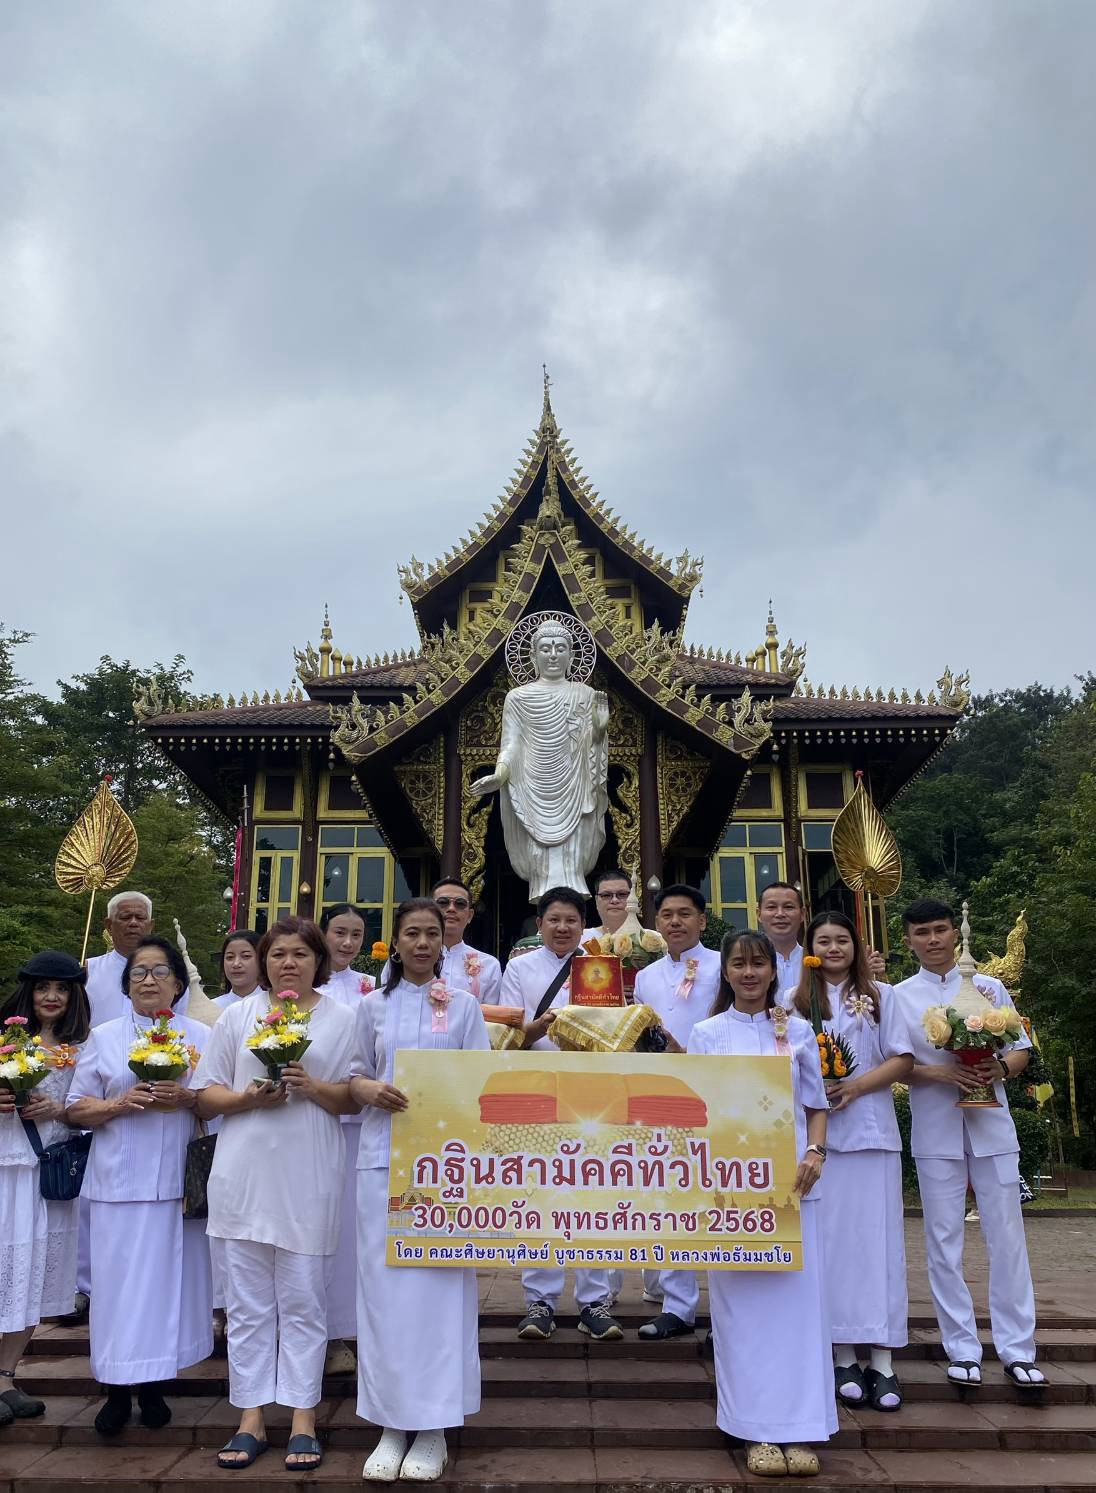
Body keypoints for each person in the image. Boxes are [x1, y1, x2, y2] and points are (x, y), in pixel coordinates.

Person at [192, 916, 361, 1473]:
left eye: (300, 954)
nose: (288, 963)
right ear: (264, 961)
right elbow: (205, 1095)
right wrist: (248, 1100)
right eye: (277, 953)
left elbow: (351, 1099)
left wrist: (310, 1087)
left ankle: (304, 1416)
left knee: (304, 1301)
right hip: (242, 1178)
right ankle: (250, 1416)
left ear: (320, 960)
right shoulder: (237, 1016)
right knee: (246, 1306)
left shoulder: (342, 1018)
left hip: (308, 1175)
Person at [353, 898, 490, 1482]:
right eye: (411, 933)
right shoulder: (371, 1007)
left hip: (442, 1171)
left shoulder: (463, 1006)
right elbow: (353, 1072)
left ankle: (433, 1426)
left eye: (432, 934)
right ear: (396, 941)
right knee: (383, 1296)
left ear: (444, 942)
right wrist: (367, 1090)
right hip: (381, 1161)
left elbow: (482, 1085)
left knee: (438, 1294)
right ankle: (389, 1422)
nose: (422, 943)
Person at [689, 929, 835, 1478]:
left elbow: (816, 1106)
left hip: (793, 1186)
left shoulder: (797, 1029)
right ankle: (754, 1431)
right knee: (742, 1312)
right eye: (739, 964)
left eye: (759, 964)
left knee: (798, 1308)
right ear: (724, 972)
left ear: (775, 971)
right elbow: (695, 1110)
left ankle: (800, 1428)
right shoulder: (705, 1034)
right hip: (731, 1191)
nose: (749, 973)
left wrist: (816, 1150)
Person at [895, 899, 1044, 1390]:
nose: (934, 939)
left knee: (1007, 1239)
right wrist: (939, 1072)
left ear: (953, 936)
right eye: (923, 932)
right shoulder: (900, 996)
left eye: (940, 930)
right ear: (909, 940)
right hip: (936, 1128)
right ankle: (962, 1349)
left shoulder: (989, 986)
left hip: (992, 1126)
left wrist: (998, 1068)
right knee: (943, 1241)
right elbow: (894, 1064)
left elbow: (1020, 1048)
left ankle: (1018, 1349)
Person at [65, 936, 211, 1437]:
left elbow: (215, 1101)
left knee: (166, 1289)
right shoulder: (102, 1037)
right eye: (138, 973)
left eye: (158, 970)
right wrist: (119, 1105)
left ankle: (153, 1384)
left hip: (176, 1183)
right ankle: (115, 1390)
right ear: (126, 987)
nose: (148, 980)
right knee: (117, 1291)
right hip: (117, 1185)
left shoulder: (200, 1035)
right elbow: (75, 1106)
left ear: (177, 980)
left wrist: (187, 1097)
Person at [787, 913, 914, 1410]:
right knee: (832, 1249)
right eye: (824, 941)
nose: (834, 948)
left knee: (879, 1247)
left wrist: (855, 1086)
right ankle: (841, 1354)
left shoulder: (884, 995)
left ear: (856, 947)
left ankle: (883, 1360)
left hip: (872, 1134)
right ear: (810, 949)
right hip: (819, 1144)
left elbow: (902, 1058)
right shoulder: (792, 1004)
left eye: (843, 940)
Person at [498, 886, 621, 1342]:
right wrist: (543, 1025)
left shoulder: (602, 963)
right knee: (541, 1194)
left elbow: (616, 1024)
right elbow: (511, 1036)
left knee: (594, 1193)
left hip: (594, 1090)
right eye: (554, 920)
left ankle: (595, 1301)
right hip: (539, 1089)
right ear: (540, 924)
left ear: (582, 924)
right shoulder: (520, 968)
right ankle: (540, 1300)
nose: (563, 927)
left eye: (571, 920)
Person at [0, 951, 91, 1425]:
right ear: (28, 993)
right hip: (5, 1167)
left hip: (51, 1174)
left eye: (61, 989)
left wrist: (59, 1112)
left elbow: (88, 1106)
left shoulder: (85, 1046)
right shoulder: (5, 1041)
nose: (51, 997)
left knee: (36, 1274)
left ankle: (6, 1375)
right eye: (42, 988)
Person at [633, 885, 720, 1340]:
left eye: (685, 914)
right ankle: (678, 1303)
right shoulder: (645, 976)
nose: (675, 922)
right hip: (661, 1095)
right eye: (666, 915)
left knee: (721, 1193)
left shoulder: (725, 965)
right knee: (668, 1195)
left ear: (702, 920)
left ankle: (731, 1299)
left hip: (717, 1092)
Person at [473, 616, 609, 898]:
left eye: (560, 648)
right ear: (533, 655)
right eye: (545, 649)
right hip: (531, 786)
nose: (553, 655)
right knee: (540, 861)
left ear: (571, 656)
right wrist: (499, 774)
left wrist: (599, 728)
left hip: (574, 786)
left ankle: (571, 913)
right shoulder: (518, 697)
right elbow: (511, 744)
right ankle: (546, 910)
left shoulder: (584, 694)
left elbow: (592, 747)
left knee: (573, 856)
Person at [316, 903, 373, 1376]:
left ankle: (344, 1331)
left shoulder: (369, 990)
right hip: (306, 1118)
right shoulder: (298, 989)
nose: (348, 943)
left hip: (357, 1125)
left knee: (350, 1231)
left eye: (356, 935)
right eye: (340, 932)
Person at [432, 878, 502, 1002]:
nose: (451, 909)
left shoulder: (489, 965)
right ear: (431, 911)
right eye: (443, 902)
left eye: (460, 904)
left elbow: (492, 1017)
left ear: (469, 916)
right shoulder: (410, 959)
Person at [756, 882, 806, 994]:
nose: (780, 914)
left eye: (788, 907)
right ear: (759, 914)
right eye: (771, 907)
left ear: (802, 914)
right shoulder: (748, 965)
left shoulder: (816, 962)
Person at [213, 930, 263, 1010]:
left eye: (246, 956)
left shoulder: (276, 1007)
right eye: (230, 957)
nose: (236, 964)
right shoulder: (211, 1007)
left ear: (261, 960)